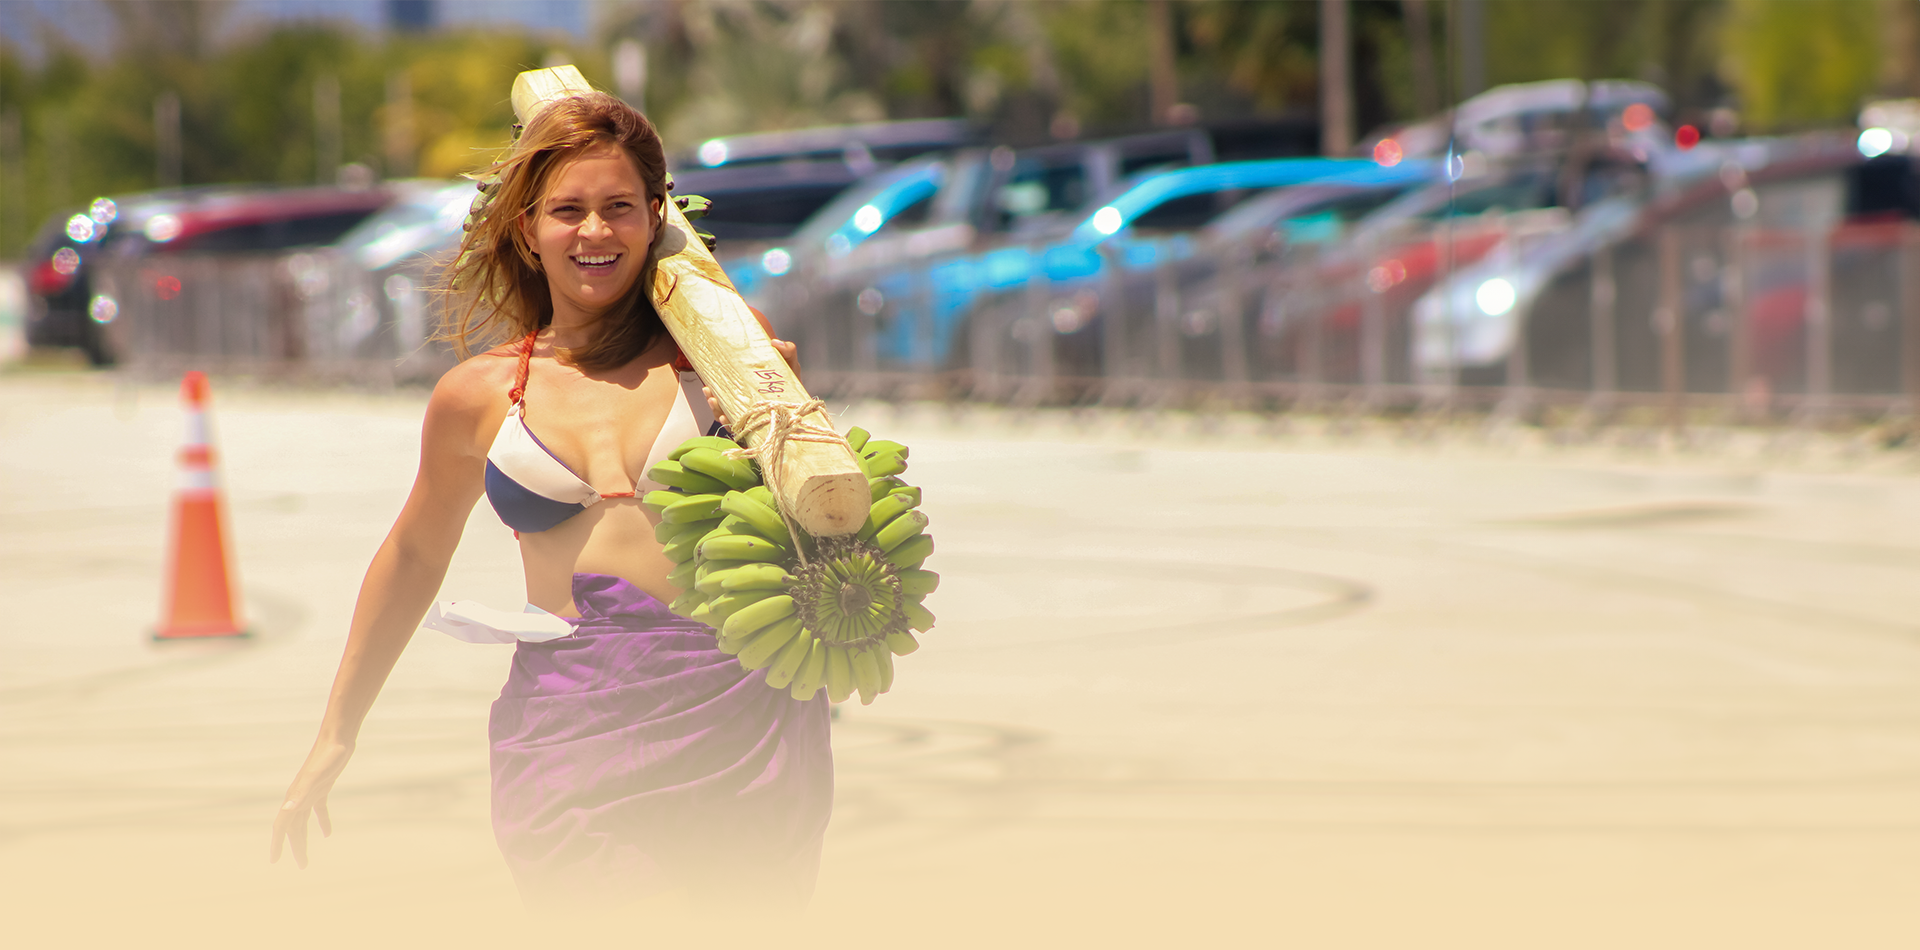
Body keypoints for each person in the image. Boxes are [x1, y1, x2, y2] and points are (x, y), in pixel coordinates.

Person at [269, 91, 833, 910]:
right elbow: (415, 554)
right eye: (568, 210)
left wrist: (783, 414)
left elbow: (820, 512)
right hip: (571, 725)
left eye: (619, 207)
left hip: (735, 715)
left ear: (656, 217)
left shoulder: (722, 353)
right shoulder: (478, 394)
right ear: (528, 228)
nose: (595, 232)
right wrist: (337, 730)